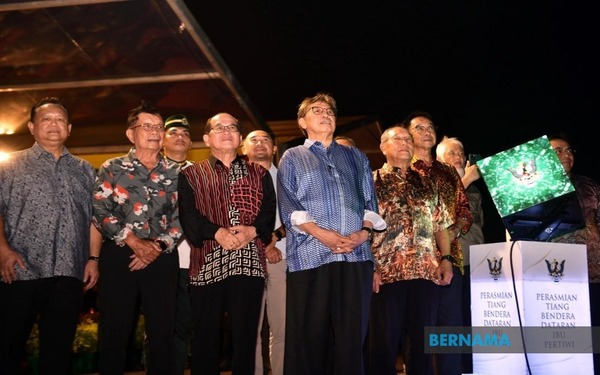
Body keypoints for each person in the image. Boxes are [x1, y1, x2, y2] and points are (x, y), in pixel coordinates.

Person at [277, 92, 385, 375]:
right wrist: (321, 234)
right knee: (309, 340)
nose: (325, 114)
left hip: (355, 258)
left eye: (330, 111)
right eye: (316, 110)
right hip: (311, 258)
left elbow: (370, 203)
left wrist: (363, 234)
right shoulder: (292, 156)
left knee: (351, 340)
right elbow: (289, 203)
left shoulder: (355, 156)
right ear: (302, 122)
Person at [0, 97, 98, 374]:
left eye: (59, 120)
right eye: (46, 119)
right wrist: (3, 251)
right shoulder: (9, 166)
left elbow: (95, 219)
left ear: (69, 128)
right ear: (32, 127)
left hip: (69, 271)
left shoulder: (85, 171)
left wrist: (93, 258)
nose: (53, 125)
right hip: (20, 269)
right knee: (8, 345)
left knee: (58, 350)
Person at [178, 112, 276, 374]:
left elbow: (268, 213)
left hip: (248, 263)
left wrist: (252, 231)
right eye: (219, 128)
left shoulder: (259, 173)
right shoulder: (191, 174)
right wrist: (217, 232)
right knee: (204, 338)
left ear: (240, 137)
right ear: (206, 138)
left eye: (232, 127)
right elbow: (188, 217)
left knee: (245, 339)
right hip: (206, 262)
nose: (226, 131)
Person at [93, 101, 182, 374]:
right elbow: (99, 210)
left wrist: (156, 247)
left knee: (163, 331)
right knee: (114, 329)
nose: (155, 132)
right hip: (120, 254)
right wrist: (132, 242)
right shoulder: (112, 167)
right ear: (131, 133)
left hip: (163, 255)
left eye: (159, 127)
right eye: (147, 126)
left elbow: (184, 217)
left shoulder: (178, 172)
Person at [367, 126, 453, 375]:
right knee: (383, 347)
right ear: (383, 146)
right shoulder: (371, 182)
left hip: (426, 273)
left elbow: (441, 225)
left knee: (422, 349)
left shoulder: (427, 182)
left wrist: (445, 259)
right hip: (386, 275)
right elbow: (362, 228)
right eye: (397, 139)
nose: (405, 143)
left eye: (408, 139)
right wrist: (370, 266)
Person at [402, 111, 472, 375]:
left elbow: (465, 211)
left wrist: (451, 232)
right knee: (419, 331)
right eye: (419, 127)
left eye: (430, 127)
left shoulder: (448, 173)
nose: (427, 131)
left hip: (450, 258)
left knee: (450, 330)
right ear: (408, 135)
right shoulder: (403, 169)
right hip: (414, 263)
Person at [142, 114, 194, 374]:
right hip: (158, 259)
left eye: (185, 134)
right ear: (162, 139)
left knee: (183, 327)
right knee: (157, 327)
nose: (180, 137)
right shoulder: (149, 170)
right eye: (174, 132)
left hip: (191, 263)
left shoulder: (200, 172)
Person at [548, 132, 600, 373]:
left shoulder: (589, 186)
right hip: (556, 278)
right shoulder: (534, 189)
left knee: (594, 334)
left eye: (568, 150)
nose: (566, 155)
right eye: (558, 151)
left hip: (593, 272)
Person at [436, 135, 485, 374]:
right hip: (451, 262)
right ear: (439, 160)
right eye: (452, 153)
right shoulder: (436, 181)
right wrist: (465, 179)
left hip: (476, 261)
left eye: (461, 153)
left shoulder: (474, 189)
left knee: (473, 319)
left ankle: (471, 367)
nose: (459, 157)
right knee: (450, 321)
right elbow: (443, 211)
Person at [242, 130, 287, 375]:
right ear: (243, 148)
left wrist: (274, 241)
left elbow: (297, 217)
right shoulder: (234, 180)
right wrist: (262, 247)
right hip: (246, 258)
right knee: (249, 327)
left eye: (265, 140)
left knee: (282, 328)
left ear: (274, 148)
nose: (260, 144)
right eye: (254, 140)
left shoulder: (287, 178)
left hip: (281, 256)